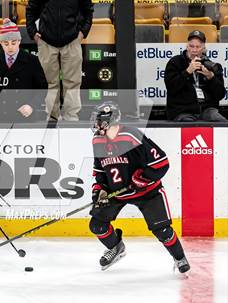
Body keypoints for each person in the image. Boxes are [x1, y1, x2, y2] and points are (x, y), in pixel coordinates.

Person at [89, 102, 190, 273]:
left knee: (163, 231)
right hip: (118, 192)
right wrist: (100, 192)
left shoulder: (131, 135)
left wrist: (142, 179)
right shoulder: (97, 140)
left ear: (110, 120)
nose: (96, 124)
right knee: (97, 225)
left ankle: (180, 258)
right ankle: (116, 247)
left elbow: (161, 163)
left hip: (147, 192)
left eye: (99, 120)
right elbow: (100, 172)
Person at [26, 0, 93, 121]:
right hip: (46, 42)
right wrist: (33, 33)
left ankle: (71, 117)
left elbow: (88, 11)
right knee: (49, 82)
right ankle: (52, 117)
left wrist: (83, 33)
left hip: (72, 41)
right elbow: (31, 10)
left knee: (72, 82)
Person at [0, 18, 47, 123]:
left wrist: (31, 106)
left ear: (19, 41)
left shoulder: (32, 61)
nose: (10, 47)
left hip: (25, 119)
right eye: (6, 43)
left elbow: (43, 88)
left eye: (14, 42)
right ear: (1, 43)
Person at [164, 30, 226, 122]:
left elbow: (220, 94)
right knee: (188, 123)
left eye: (198, 47)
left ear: (204, 48)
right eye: (191, 46)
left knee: (220, 120)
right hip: (183, 110)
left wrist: (211, 78)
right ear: (187, 46)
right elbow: (171, 87)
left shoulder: (210, 65)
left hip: (207, 109)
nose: (194, 50)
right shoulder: (175, 62)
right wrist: (187, 71)